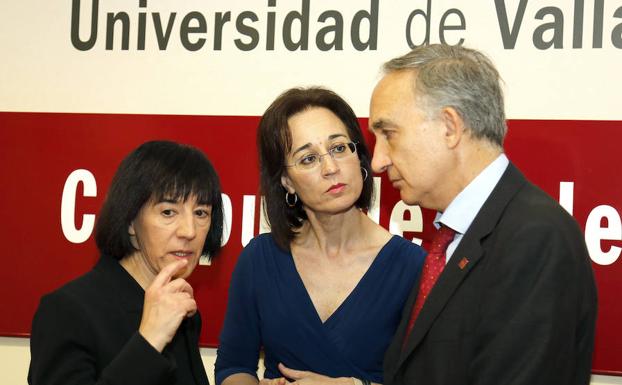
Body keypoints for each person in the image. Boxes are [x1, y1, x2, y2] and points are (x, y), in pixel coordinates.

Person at [369, 44, 598, 385]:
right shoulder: (453, 237)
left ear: (449, 127)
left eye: (388, 134)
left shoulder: (536, 238)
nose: (378, 161)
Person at [215, 87, 425, 385]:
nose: (331, 168)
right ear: (286, 181)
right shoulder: (259, 259)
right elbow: (233, 367)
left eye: (339, 148)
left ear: (359, 156)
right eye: (308, 159)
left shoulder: (412, 266)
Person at [28, 140, 224, 385]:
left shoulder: (181, 309)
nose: (189, 231)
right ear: (130, 221)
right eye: (168, 212)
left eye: (201, 213)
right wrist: (150, 339)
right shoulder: (66, 311)